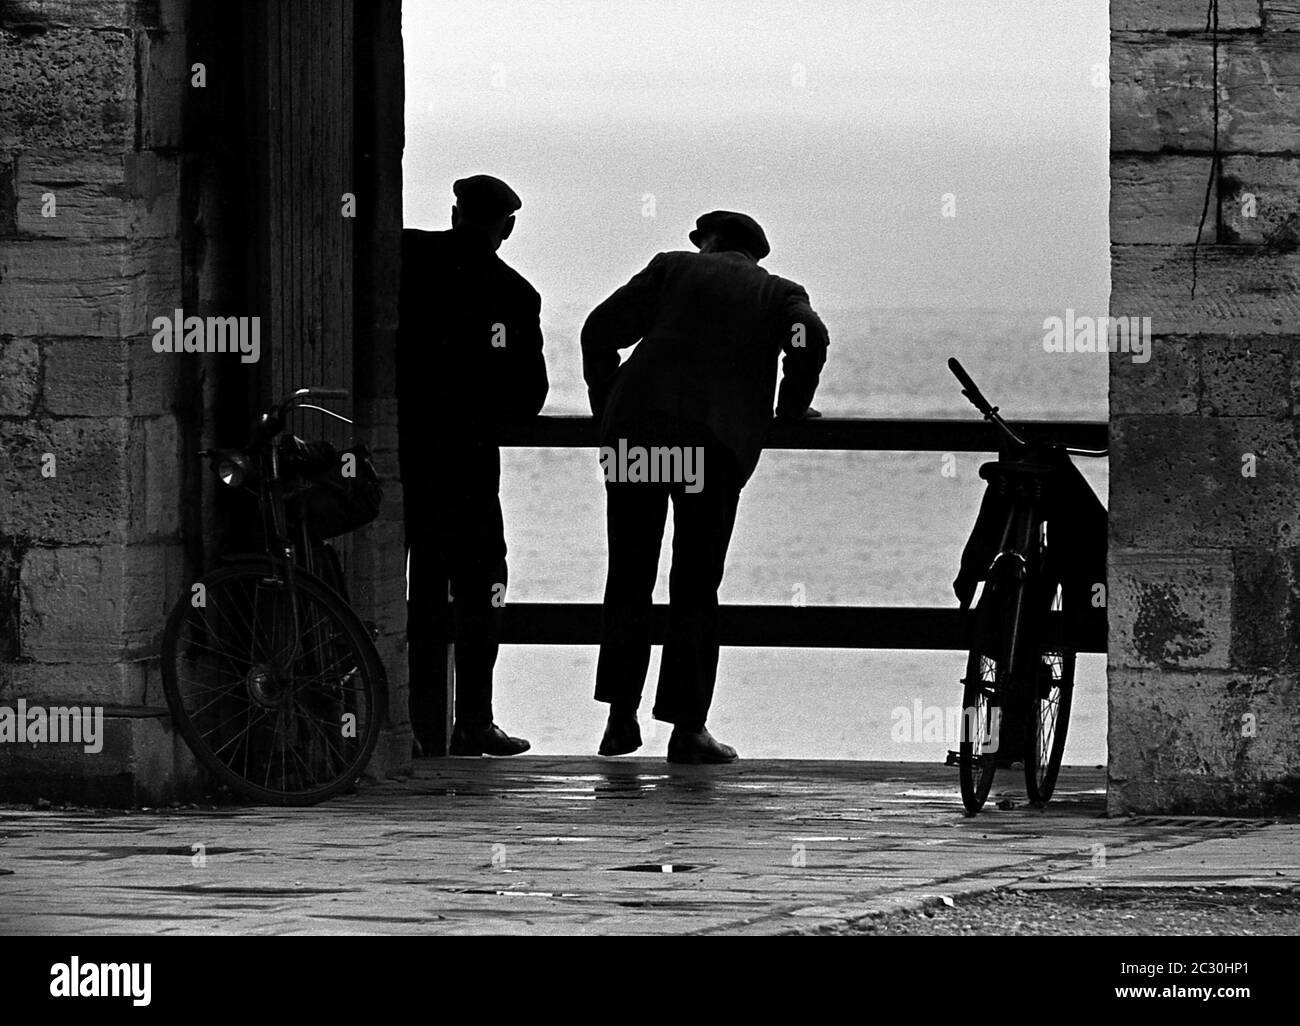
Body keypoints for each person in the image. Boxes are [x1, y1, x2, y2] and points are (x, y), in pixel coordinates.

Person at [582, 210, 829, 764]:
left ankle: (620, 718)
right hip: (711, 445)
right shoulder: (779, 292)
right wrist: (790, 410)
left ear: (708, 242)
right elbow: (808, 338)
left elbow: (598, 332)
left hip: (636, 438)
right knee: (694, 584)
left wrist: (608, 404)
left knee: (628, 575)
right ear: (754, 253)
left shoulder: (672, 270)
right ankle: (687, 728)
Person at [398, 175, 548, 757]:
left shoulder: (408, 257)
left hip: (403, 453)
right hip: (467, 461)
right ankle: (473, 721)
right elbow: (528, 397)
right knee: (484, 584)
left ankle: (414, 724)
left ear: (456, 210)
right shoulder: (513, 293)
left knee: (418, 591)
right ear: (505, 226)